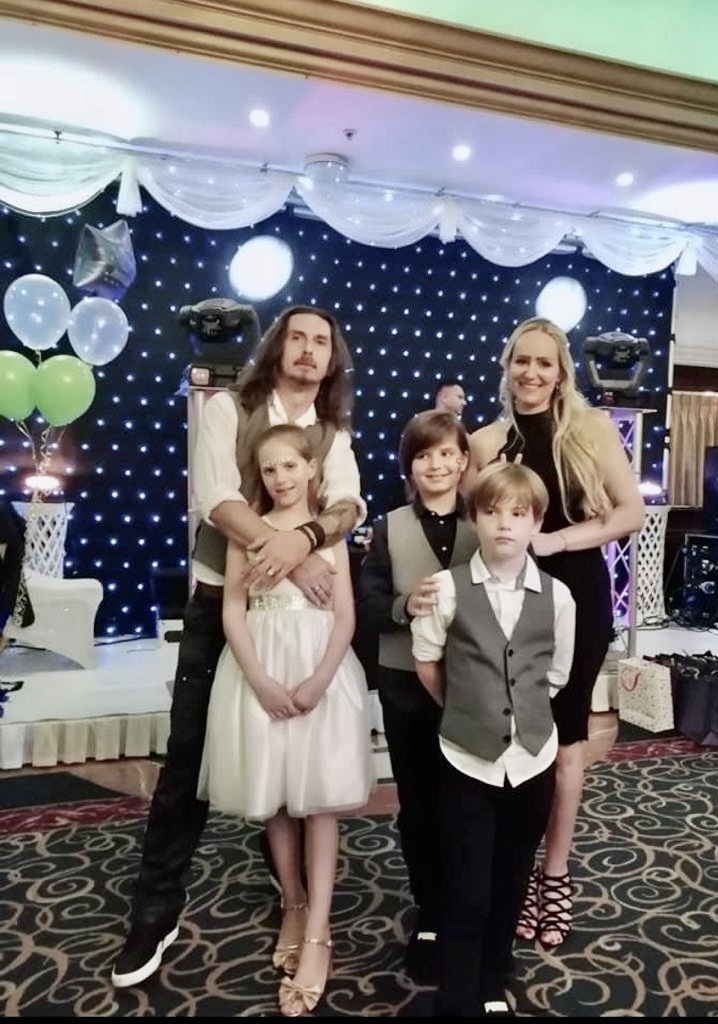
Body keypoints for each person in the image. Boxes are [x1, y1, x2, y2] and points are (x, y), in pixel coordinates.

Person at [111, 305, 367, 988]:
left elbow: (348, 506)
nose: (308, 349)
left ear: (332, 358)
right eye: (297, 337)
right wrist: (282, 551)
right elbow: (217, 500)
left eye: (321, 341)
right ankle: (156, 909)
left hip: (309, 616)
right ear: (277, 346)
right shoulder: (229, 408)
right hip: (225, 605)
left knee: (298, 764)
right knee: (186, 758)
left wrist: (303, 543)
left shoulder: (333, 432)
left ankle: (298, 896)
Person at [466, 316, 645, 950]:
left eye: (545, 362)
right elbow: (470, 524)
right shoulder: (485, 442)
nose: (532, 372)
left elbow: (631, 511)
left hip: (577, 598)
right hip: (504, 602)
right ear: (507, 368)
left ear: (562, 371)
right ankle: (515, 872)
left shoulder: (591, 431)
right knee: (513, 738)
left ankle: (555, 874)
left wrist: (561, 540)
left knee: (566, 742)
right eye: (522, 360)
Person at [198, 423, 374, 1017]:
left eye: (290, 466)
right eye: (269, 468)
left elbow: (345, 616)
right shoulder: (245, 531)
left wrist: (321, 677)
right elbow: (233, 612)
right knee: (274, 795)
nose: (280, 478)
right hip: (262, 672)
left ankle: (319, 929)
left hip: (319, 671)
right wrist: (260, 680)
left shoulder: (329, 535)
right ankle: (292, 901)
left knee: (318, 801)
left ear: (312, 469)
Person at [412, 461, 576, 1017]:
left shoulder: (558, 598)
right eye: (491, 511)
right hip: (467, 761)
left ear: (536, 523)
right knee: (467, 885)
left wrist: (521, 716)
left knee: (511, 878)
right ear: (474, 519)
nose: (505, 523)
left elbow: (556, 675)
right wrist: (467, 711)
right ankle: (456, 994)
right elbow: (428, 663)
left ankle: (493, 979)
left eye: (518, 513)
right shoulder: (446, 589)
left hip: (532, 761)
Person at [355, 410, 477, 984]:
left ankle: (468, 903)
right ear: (409, 465)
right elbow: (368, 605)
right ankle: (429, 908)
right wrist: (405, 606)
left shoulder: (487, 519)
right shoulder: (389, 527)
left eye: (447, 453)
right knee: (419, 803)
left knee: (468, 802)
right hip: (405, 685)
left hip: (474, 685)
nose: (437, 465)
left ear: (464, 460)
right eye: (424, 455)